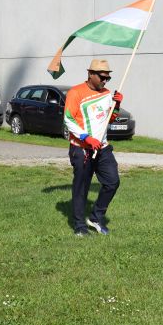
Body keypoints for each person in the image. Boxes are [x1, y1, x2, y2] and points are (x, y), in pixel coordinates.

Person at [63, 59, 123, 236]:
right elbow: (68, 119)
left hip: (103, 148)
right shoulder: (75, 93)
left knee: (112, 182)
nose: (105, 81)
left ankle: (96, 217)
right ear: (90, 74)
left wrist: (117, 105)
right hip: (81, 148)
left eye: (108, 78)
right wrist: (87, 138)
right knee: (82, 187)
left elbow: (110, 119)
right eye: (102, 77)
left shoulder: (106, 94)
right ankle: (79, 226)